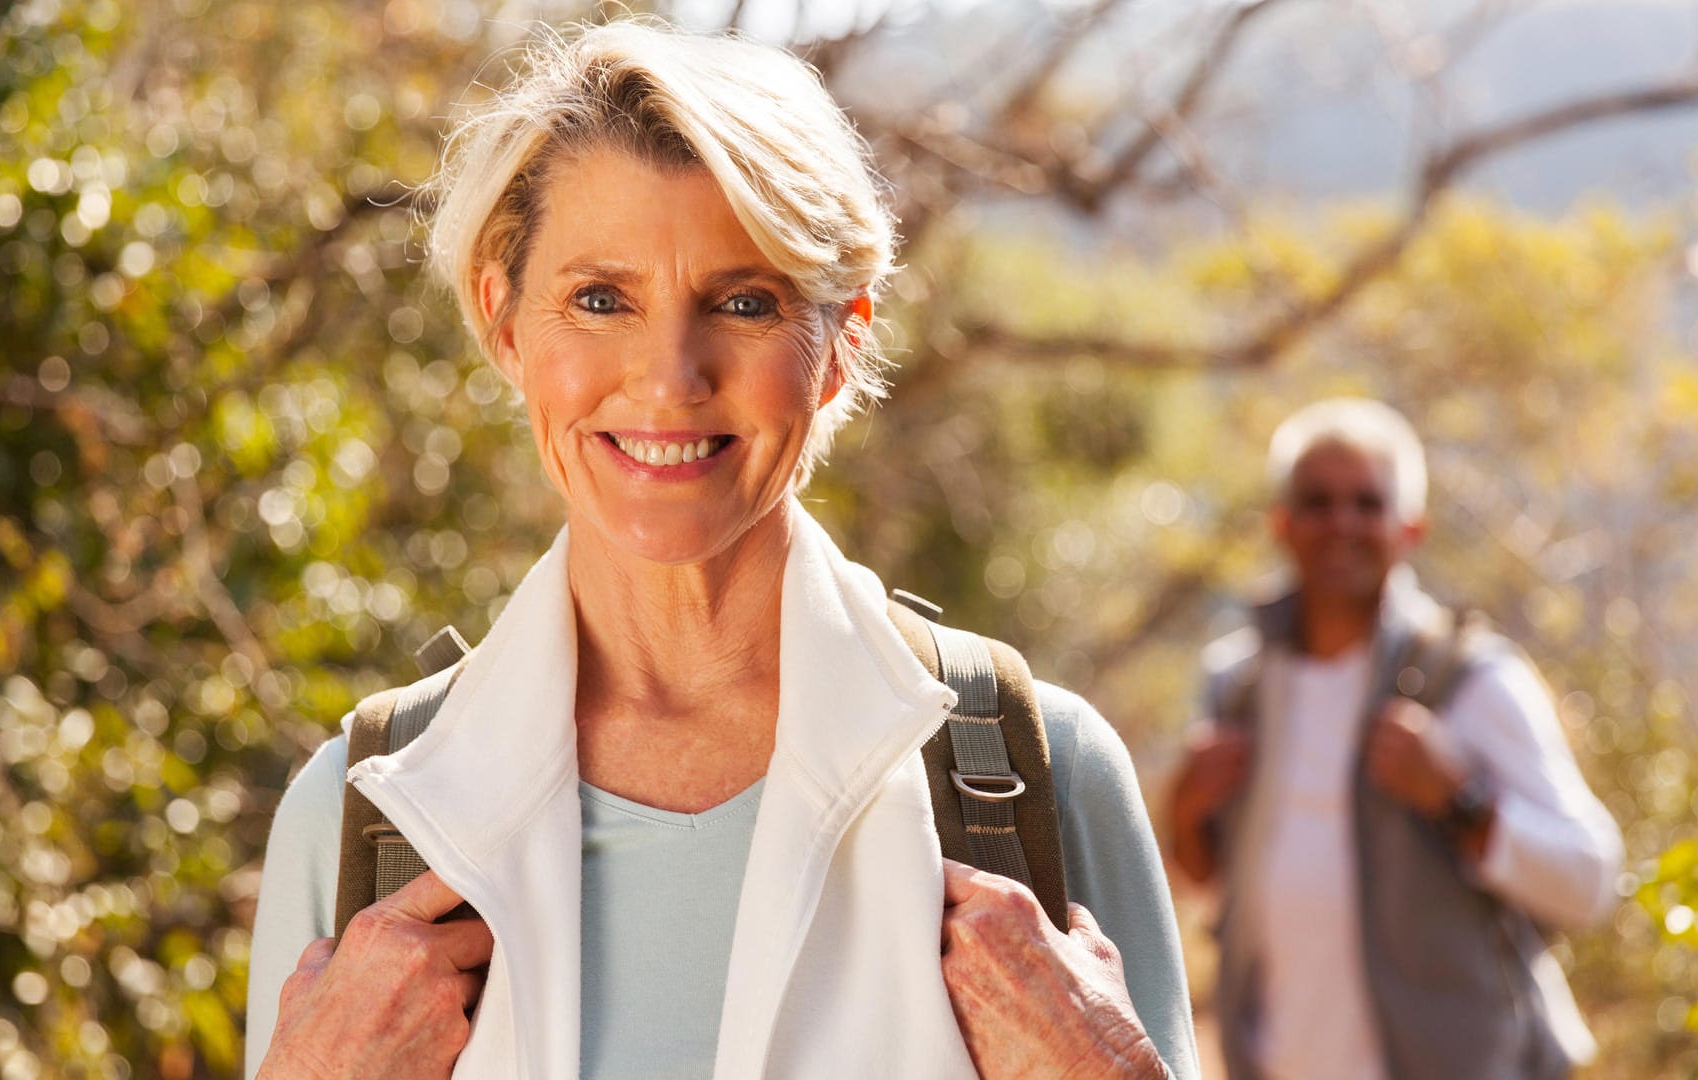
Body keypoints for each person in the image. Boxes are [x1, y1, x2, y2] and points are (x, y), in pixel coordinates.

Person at [243, 19, 1200, 1080]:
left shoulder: (1038, 778)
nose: (669, 376)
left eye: (744, 303)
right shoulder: (362, 814)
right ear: (505, 323)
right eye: (599, 299)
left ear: (842, 343)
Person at [1167, 397, 1624, 1080]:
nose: (1341, 523)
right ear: (1282, 525)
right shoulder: (1238, 685)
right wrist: (1182, 807)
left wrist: (1461, 799)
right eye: (1317, 502)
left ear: (1410, 529)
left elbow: (1590, 882)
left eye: (1367, 503)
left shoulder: (1472, 681)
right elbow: (1209, 881)